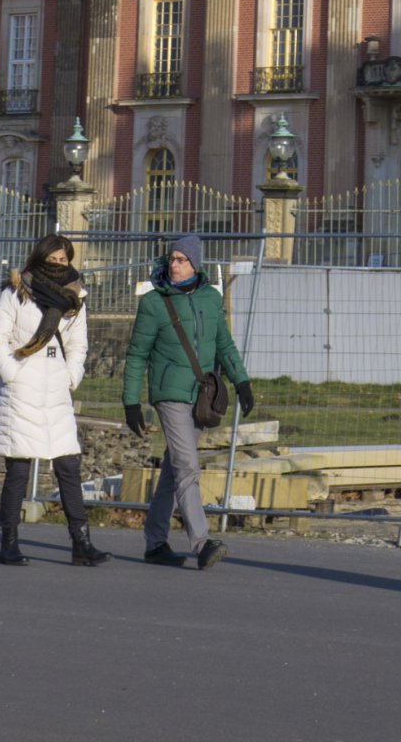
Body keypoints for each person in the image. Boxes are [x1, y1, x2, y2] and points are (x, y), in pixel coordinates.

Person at [122, 233, 254, 571]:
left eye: (181, 259)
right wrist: (131, 401)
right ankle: (201, 542)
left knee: (174, 468)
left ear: (195, 263)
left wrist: (242, 381)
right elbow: (137, 355)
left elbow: (224, 344)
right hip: (169, 394)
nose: (174, 264)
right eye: (172, 258)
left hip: (201, 395)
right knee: (187, 466)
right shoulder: (154, 303)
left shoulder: (211, 298)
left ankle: (155, 544)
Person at [0, 233, 109, 567]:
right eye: (51, 258)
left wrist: (71, 376)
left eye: (62, 259)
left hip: (55, 389)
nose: (57, 264)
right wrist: (12, 373)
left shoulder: (75, 297)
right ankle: (9, 544)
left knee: (68, 466)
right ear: (39, 258)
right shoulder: (16, 292)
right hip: (20, 389)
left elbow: (79, 344)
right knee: (18, 470)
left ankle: (81, 543)